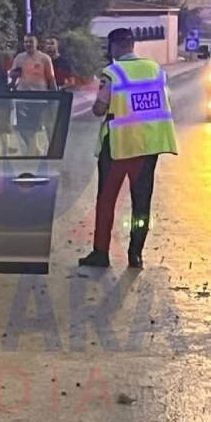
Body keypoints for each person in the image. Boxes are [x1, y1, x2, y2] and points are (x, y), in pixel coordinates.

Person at [78, 28, 178, 269]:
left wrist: (96, 104)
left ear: (114, 47)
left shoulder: (112, 73)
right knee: (141, 203)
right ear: (132, 45)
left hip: (118, 146)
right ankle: (136, 255)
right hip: (148, 145)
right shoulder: (155, 70)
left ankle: (101, 253)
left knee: (106, 200)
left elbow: (100, 109)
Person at [10, 34, 56, 155]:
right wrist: (15, 74)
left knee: (35, 126)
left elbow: (51, 79)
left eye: (30, 42)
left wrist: (54, 97)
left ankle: (37, 150)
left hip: (39, 97)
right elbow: (12, 76)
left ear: (36, 43)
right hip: (22, 97)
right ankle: (33, 149)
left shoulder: (44, 58)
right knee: (22, 127)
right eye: (26, 42)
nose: (28, 44)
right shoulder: (19, 58)